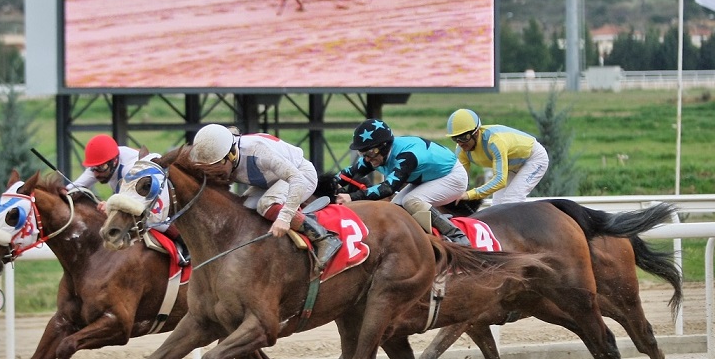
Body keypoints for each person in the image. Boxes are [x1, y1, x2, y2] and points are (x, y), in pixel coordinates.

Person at [190, 123, 342, 272]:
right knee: (242, 209)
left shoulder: (258, 151)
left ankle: (323, 237)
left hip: (300, 175)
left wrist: (284, 218)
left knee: (267, 204)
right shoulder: (223, 153)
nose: (214, 172)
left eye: (217, 165)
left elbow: (297, 179)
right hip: (270, 181)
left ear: (232, 154)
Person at [334, 118, 471, 246]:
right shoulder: (376, 155)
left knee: (411, 201)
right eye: (362, 154)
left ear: (384, 147)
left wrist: (352, 197)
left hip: (452, 177)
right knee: (394, 209)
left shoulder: (407, 156)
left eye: (369, 153)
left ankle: (457, 237)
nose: (367, 159)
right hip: (430, 177)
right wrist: (331, 184)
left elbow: (388, 188)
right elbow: (349, 173)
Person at [446, 109, 550, 204]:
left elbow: (500, 180)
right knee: (496, 204)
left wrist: (470, 195)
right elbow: (461, 181)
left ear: (476, 133)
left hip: (534, 158)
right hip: (510, 165)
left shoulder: (494, 142)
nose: (460, 143)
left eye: (464, 137)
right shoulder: (461, 150)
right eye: (455, 139)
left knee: (512, 199)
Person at [66, 134, 144, 209]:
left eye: (100, 167)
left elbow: (136, 203)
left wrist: (110, 205)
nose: (96, 174)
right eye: (92, 168)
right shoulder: (102, 163)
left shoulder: (130, 169)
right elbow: (73, 187)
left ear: (114, 161)